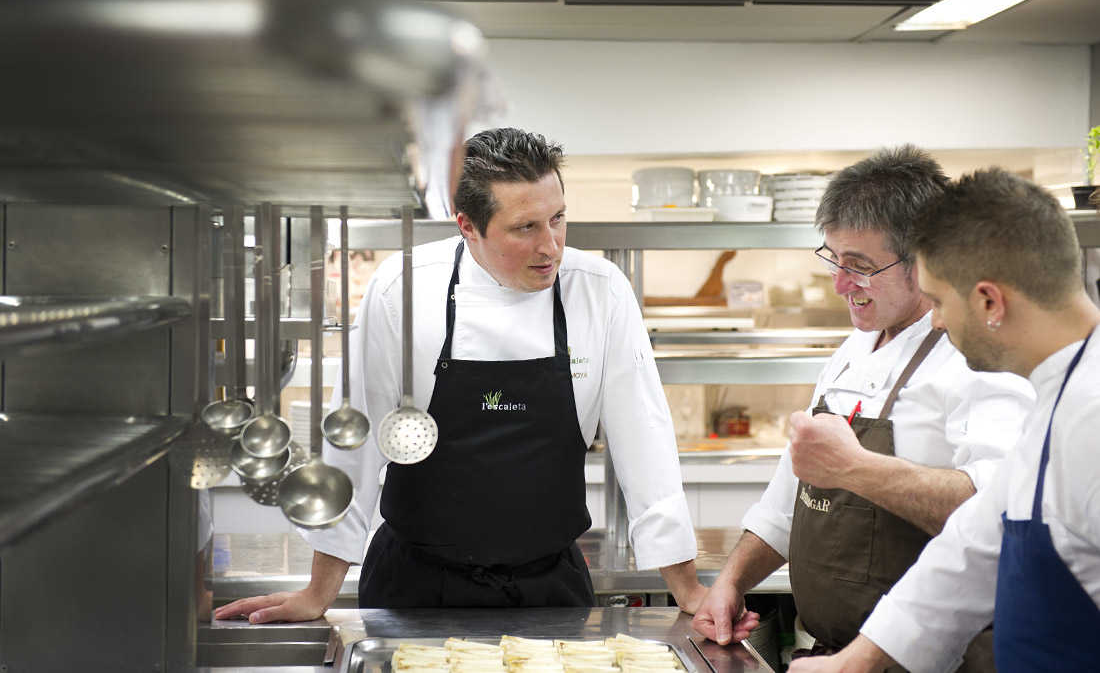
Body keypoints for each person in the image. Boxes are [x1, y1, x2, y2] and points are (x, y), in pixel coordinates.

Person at [215, 127, 706, 620]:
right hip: (414, 586)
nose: (551, 247)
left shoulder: (600, 291)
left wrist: (687, 590)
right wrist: (318, 591)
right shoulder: (402, 289)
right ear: (468, 226)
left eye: (557, 219)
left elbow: (646, 445)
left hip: (549, 587)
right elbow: (354, 445)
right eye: (525, 227)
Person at [692, 147, 1035, 665]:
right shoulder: (852, 350)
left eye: (860, 267)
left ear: (924, 259)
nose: (839, 284)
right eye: (833, 259)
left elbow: (999, 515)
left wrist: (856, 468)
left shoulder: (979, 358)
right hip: (831, 655)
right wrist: (732, 581)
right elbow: (788, 500)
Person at [787, 171, 1100, 673]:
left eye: (937, 302)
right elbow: (971, 549)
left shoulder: (1091, 418)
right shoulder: (1058, 398)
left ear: (989, 302)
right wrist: (855, 663)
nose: (933, 321)